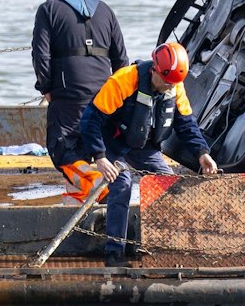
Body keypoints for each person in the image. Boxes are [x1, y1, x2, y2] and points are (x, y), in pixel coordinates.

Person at [75, 41, 219, 265]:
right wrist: (100, 157)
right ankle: (114, 252)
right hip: (113, 142)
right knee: (122, 184)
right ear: (154, 70)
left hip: (143, 145)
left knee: (169, 183)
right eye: (167, 82)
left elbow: (186, 124)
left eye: (174, 83)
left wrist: (202, 153)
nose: (170, 87)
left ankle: (164, 245)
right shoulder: (123, 81)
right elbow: (90, 121)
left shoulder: (175, 86)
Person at [32, 0, 128, 197]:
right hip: (104, 93)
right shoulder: (105, 9)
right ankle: (89, 190)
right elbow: (121, 60)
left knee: (63, 149)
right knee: (92, 144)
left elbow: (40, 55)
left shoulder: (48, 9)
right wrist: (118, 97)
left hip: (68, 93)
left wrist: (46, 87)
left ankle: (98, 188)